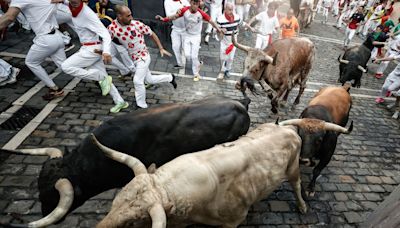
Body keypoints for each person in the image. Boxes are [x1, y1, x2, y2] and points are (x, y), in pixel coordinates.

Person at [60, 0, 129, 113]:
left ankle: (98, 76)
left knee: (66, 66)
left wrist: (106, 52)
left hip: (92, 50)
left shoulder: (87, 14)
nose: (74, 2)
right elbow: (69, 3)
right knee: (105, 78)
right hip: (91, 48)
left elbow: (105, 34)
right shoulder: (72, 5)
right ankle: (120, 101)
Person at [111, 5, 177, 109]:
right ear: (119, 16)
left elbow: (152, 34)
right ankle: (170, 77)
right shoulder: (112, 28)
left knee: (137, 81)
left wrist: (160, 48)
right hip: (133, 58)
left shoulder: (137, 25)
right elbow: (108, 38)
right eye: (128, 16)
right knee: (149, 80)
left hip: (143, 57)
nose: (131, 18)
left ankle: (142, 106)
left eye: (131, 15)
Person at [0, 0, 66, 100]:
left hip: (45, 39)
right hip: (57, 36)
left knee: (31, 62)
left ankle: (54, 88)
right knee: (66, 67)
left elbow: (9, 17)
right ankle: (95, 78)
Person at [156, 0, 222, 81]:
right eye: (194, 4)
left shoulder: (201, 13)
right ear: (190, 3)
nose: (195, 6)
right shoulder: (184, 10)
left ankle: (196, 73)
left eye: (197, 4)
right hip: (187, 35)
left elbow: (211, 21)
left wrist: (218, 29)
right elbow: (173, 17)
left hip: (196, 37)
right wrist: (163, 19)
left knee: (194, 56)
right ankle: (198, 64)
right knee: (187, 56)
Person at [216, 2, 241, 79]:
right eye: (229, 10)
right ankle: (222, 69)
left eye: (232, 10)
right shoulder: (220, 19)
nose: (231, 12)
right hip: (224, 42)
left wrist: (249, 27)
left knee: (230, 58)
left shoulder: (237, 17)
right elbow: (216, 31)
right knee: (222, 58)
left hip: (233, 42)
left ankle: (227, 70)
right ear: (225, 9)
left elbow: (240, 24)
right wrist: (220, 30)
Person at [164, 0, 190, 69]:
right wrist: (177, 13)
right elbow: (168, 16)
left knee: (187, 51)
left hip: (186, 30)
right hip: (175, 29)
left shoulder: (184, 1)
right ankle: (180, 63)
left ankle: (195, 62)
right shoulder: (167, 1)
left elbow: (190, 11)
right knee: (175, 47)